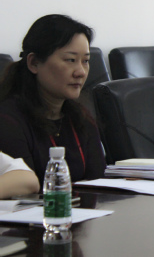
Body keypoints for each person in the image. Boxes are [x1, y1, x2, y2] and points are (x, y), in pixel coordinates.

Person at [0, 14, 106, 187]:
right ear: (34, 63)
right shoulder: (8, 121)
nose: (80, 72)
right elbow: (24, 190)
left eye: (86, 61)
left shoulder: (81, 117)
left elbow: (99, 184)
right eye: (70, 60)